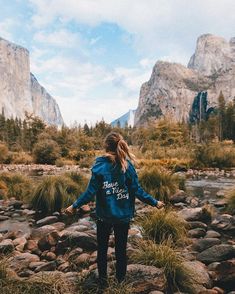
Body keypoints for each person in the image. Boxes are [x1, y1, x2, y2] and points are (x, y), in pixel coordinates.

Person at [65, 132, 165, 287]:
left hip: (104, 217)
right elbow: (137, 191)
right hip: (123, 217)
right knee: (120, 251)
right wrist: (155, 202)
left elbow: (90, 193)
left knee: (102, 250)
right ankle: (120, 283)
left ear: (106, 146)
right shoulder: (127, 166)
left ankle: (103, 284)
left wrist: (74, 206)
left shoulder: (99, 166)